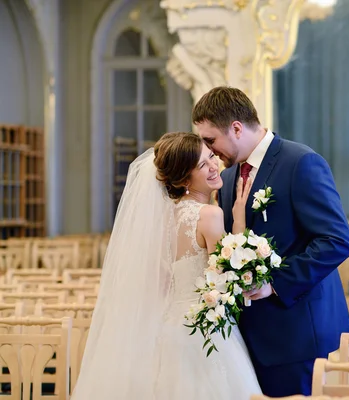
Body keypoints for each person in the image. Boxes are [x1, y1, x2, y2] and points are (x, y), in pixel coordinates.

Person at [71, 132, 262, 399]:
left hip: (168, 331)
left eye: (211, 158)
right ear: (184, 179)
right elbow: (229, 277)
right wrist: (239, 223)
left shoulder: (161, 217)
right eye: (201, 165)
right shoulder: (210, 215)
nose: (213, 166)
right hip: (204, 331)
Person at [193, 86, 349, 397]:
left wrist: (275, 282)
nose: (210, 152)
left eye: (211, 141)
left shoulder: (301, 162)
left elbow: (337, 240)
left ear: (236, 128)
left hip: (301, 336)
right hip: (249, 341)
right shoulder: (226, 181)